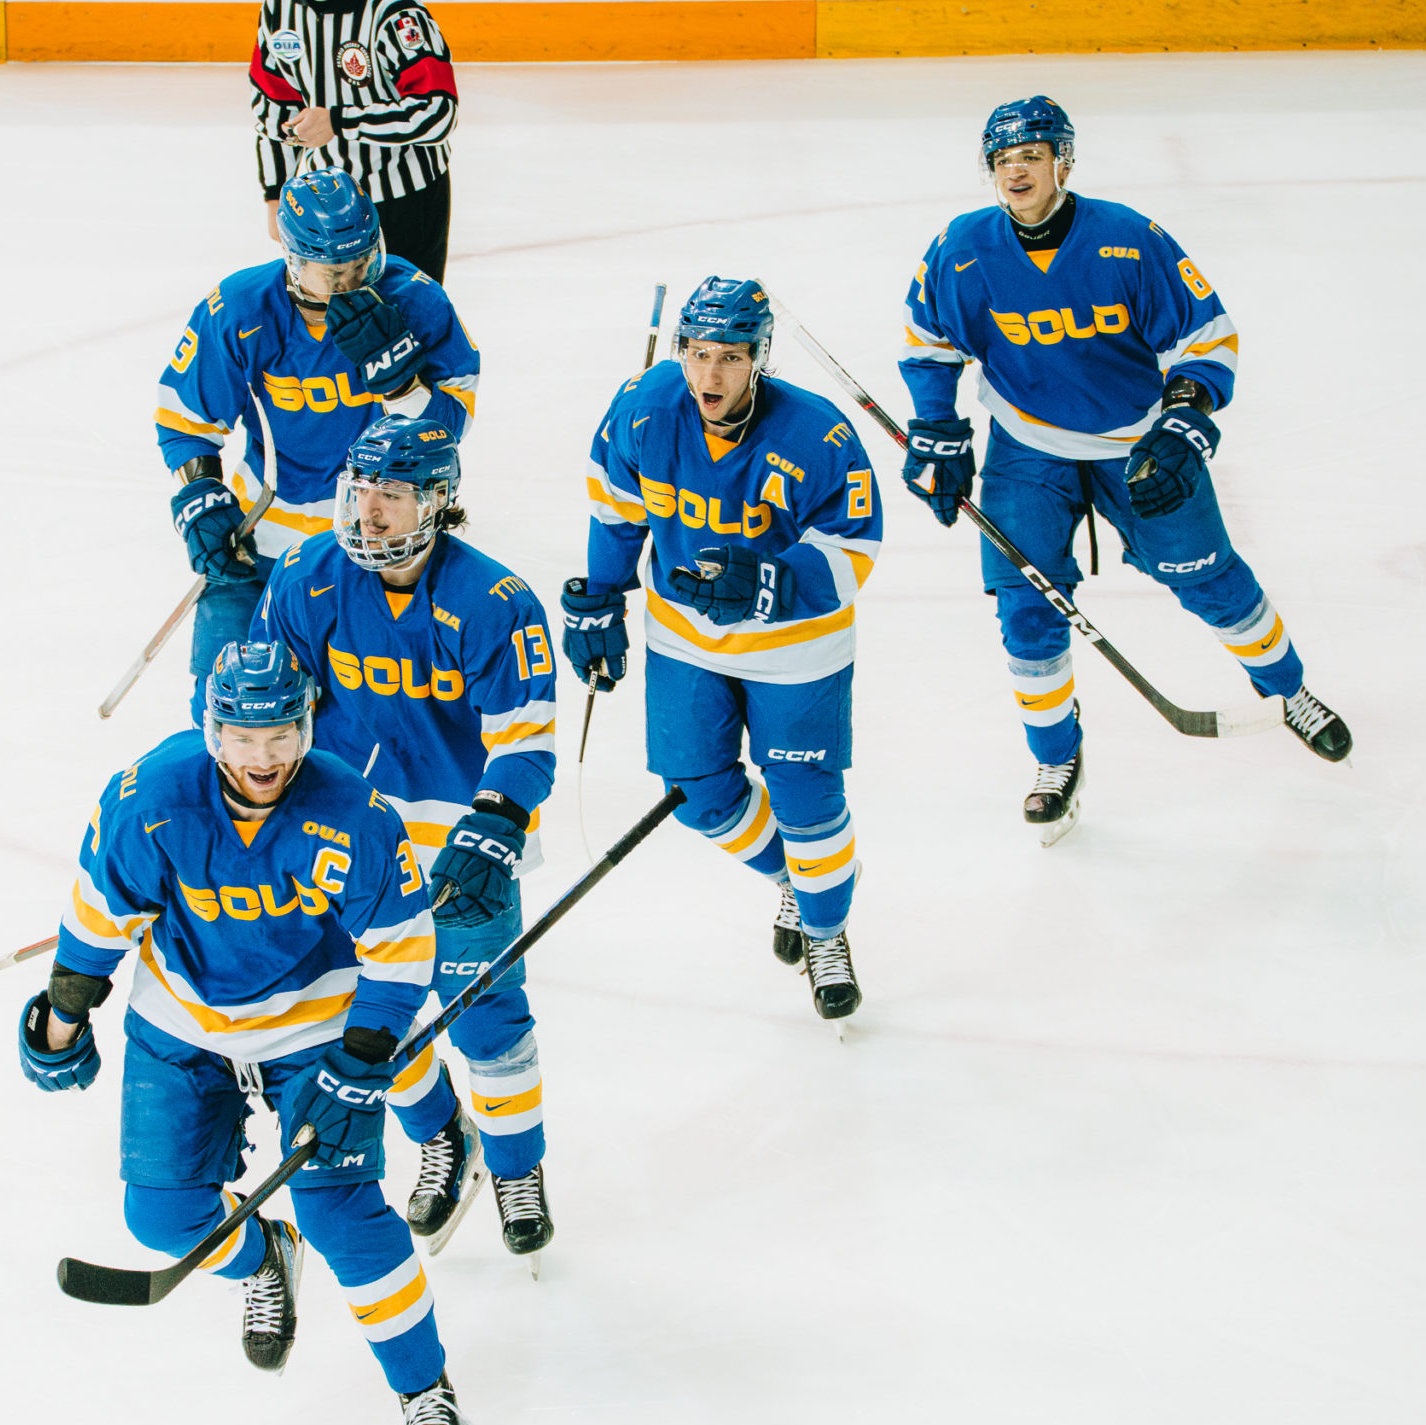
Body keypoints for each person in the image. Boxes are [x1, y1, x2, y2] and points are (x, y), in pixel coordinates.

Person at [15, 641, 470, 1425]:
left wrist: (362, 1061)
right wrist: (63, 1014)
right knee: (160, 1217)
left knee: (344, 1215)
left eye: (280, 735)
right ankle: (263, 1256)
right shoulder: (148, 799)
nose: (263, 759)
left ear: (305, 726)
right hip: (184, 1016)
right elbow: (98, 911)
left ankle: (425, 1392)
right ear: (210, 728)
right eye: (240, 736)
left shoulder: (356, 813)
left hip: (316, 1019)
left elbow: (403, 953)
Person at [897, 96, 1353, 842]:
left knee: (1209, 577)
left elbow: (1207, 335)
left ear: (1063, 163)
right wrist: (938, 429)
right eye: (1004, 160)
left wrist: (1183, 421)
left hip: (1138, 443)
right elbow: (929, 342)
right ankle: (1055, 758)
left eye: (1032, 156)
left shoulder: (1128, 240)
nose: (1018, 171)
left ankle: (1289, 690)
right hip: (1027, 448)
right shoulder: (961, 249)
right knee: (1026, 608)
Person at [255, 416, 558, 1264]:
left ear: (439, 500)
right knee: (359, 1017)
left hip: (461, 840)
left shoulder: (496, 601)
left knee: (484, 1016)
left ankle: (516, 1168)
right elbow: (266, 720)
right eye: (361, 491)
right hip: (345, 839)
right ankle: (441, 1132)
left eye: (393, 494)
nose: (371, 512)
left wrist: (495, 822)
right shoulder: (306, 577)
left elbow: (526, 735)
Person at [562, 277, 883, 1027]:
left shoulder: (817, 434)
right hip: (685, 637)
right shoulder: (642, 410)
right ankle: (805, 882)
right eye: (699, 354)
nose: (710, 376)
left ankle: (827, 930)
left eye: (731, 357)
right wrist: (602, 597)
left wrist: (771, 583)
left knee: (807, 801)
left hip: (796, 648)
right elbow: (615, 509)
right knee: (698, 796)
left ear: (758, 358)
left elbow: (855, 549)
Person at [155, 168, 480, 723]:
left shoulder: (417, 301)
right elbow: (187, 417)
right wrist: (201, 493)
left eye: (362, 264)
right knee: (228, 708)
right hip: (258, 538)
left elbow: (448, 430)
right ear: (294, 261)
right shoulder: (239, 308)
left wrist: (402, 382)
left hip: (378, 546)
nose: (353, 284)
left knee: (358, 714)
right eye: (334, 272)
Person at [249, 0, 457, 281]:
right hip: (324, 204)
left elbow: (437, 111)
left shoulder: (396, 12)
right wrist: (275, 194)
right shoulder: (279, 9)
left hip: (406, 199)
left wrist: (339, 122)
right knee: (335, 316)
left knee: (411, 314)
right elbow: (274, 107)